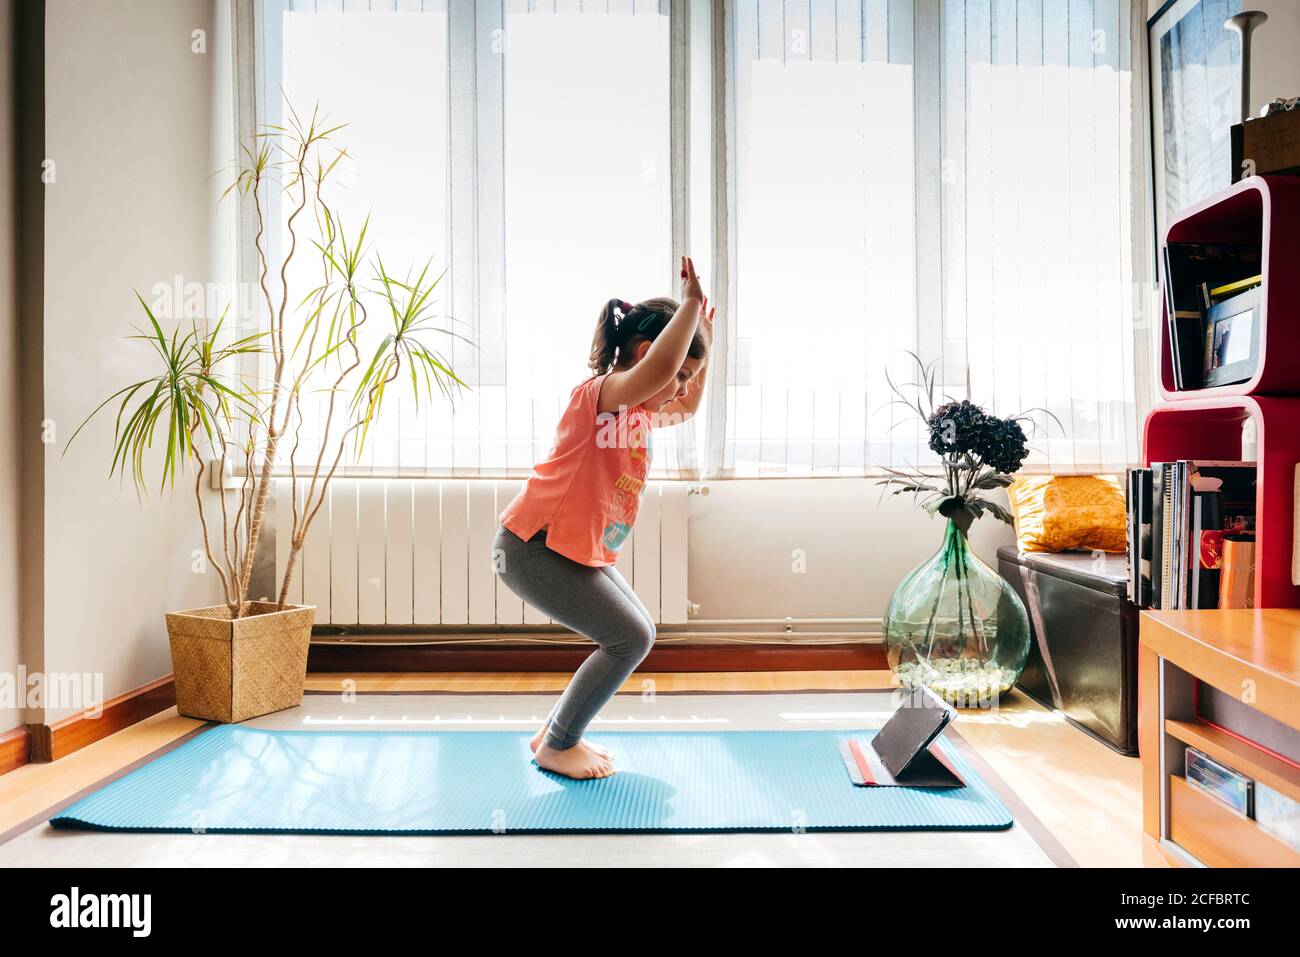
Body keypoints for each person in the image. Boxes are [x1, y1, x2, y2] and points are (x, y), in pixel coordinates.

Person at [492, 257, 713, 779]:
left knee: (639, 632)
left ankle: (554, 732)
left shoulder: (638, 411)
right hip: (533, 546)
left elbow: (688, 404)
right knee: (630, 638)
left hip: (569, 548)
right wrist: (689, 307)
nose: (681, 388)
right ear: (645, 353)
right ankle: (559, 744)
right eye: (680, 373)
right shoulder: (602, 397)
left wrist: (704, 330)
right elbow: (658, 374)